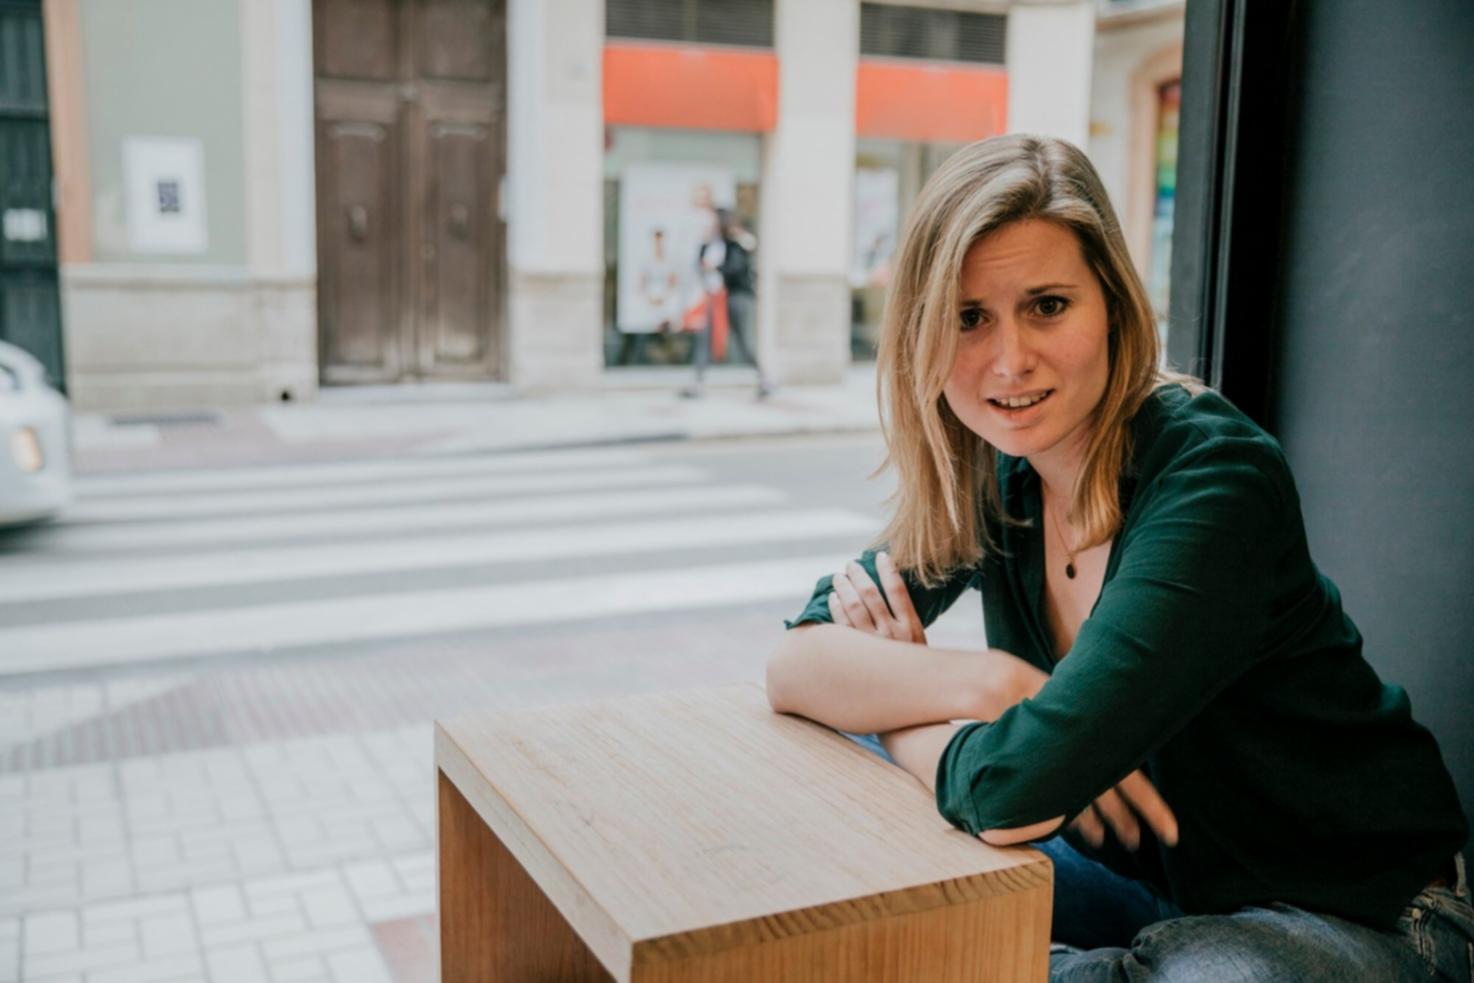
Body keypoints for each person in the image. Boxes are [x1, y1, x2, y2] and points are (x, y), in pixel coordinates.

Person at [765, 134, 1471, 981]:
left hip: (1361, 909)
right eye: (968, 317)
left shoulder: (1214, 479)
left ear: (1113, 304)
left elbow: (1012, 790)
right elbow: (796, 661)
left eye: (1048, 305)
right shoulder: (999, 476)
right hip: (1158, 885)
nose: (1010, 359)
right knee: (845, 863)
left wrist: (899, 705)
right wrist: (992, 686)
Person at [716, 209, 773, 400]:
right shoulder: (734, 244)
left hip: (740, 296)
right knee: (736, 340)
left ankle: (765, 378)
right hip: (735, 295)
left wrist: (717, 267)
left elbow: (735, 269)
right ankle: (764, 378)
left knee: (745, 341)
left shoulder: (738, 244)